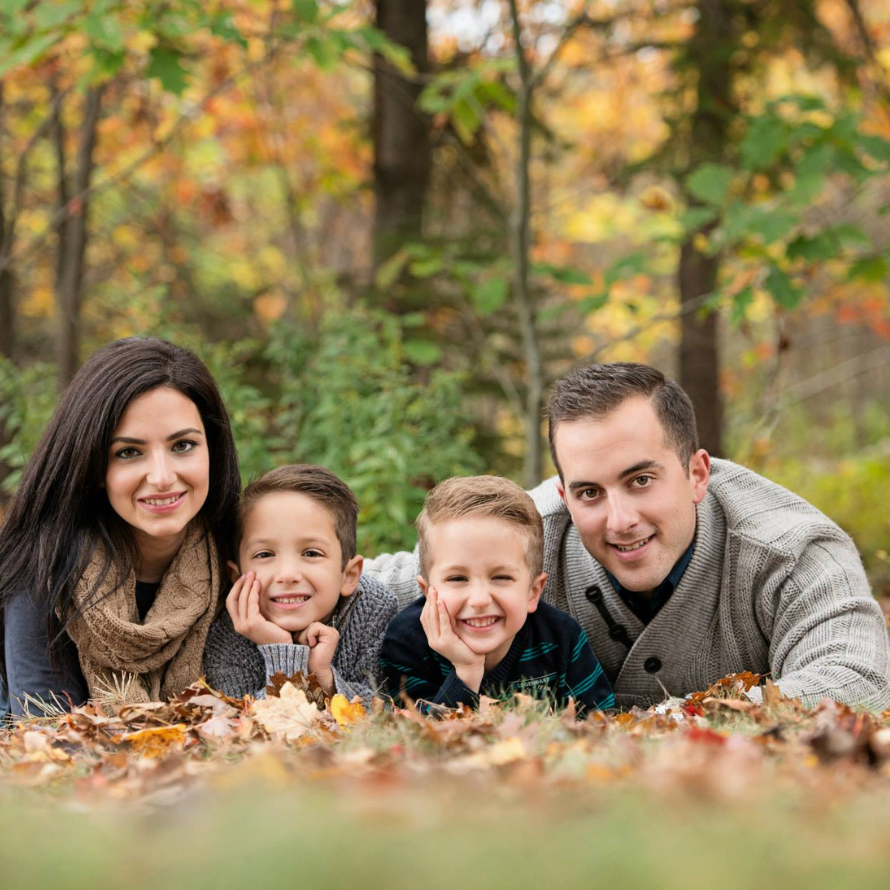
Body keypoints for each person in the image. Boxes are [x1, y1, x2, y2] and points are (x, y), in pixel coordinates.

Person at [369, 363, 890, 711]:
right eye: (590, 492)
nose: (619, 520)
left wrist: (673, 723)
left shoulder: (789, 551)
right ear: (563, 494)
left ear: (696, 474)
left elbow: (856, 676)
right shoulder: (529, 535)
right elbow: (382, 581)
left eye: (641, 481)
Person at [0, 337, 241, 716]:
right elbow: (48, 736)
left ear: (212, 449)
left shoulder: (243, 555)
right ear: (94, 467)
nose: (162, 477)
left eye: (183, 446)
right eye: (129, 453)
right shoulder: (42, 571)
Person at [378, 475, 615, 714]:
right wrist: (466, 671)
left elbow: (600, 721)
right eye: (458, 578)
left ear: (533, 593)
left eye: (501, 578)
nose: (480, 600)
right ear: (428, 592)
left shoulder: (560, 638)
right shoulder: (406, 642)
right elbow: (420, 737)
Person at [203, 464, 397, 703]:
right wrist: (282, 651)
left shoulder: (372, 610)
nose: (288, 574)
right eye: (264, 555)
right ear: (236, 576)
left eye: (312, 553)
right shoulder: (227, 633)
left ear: (348, 575)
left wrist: (325, 677)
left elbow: (384, 711)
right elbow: (250, 724)